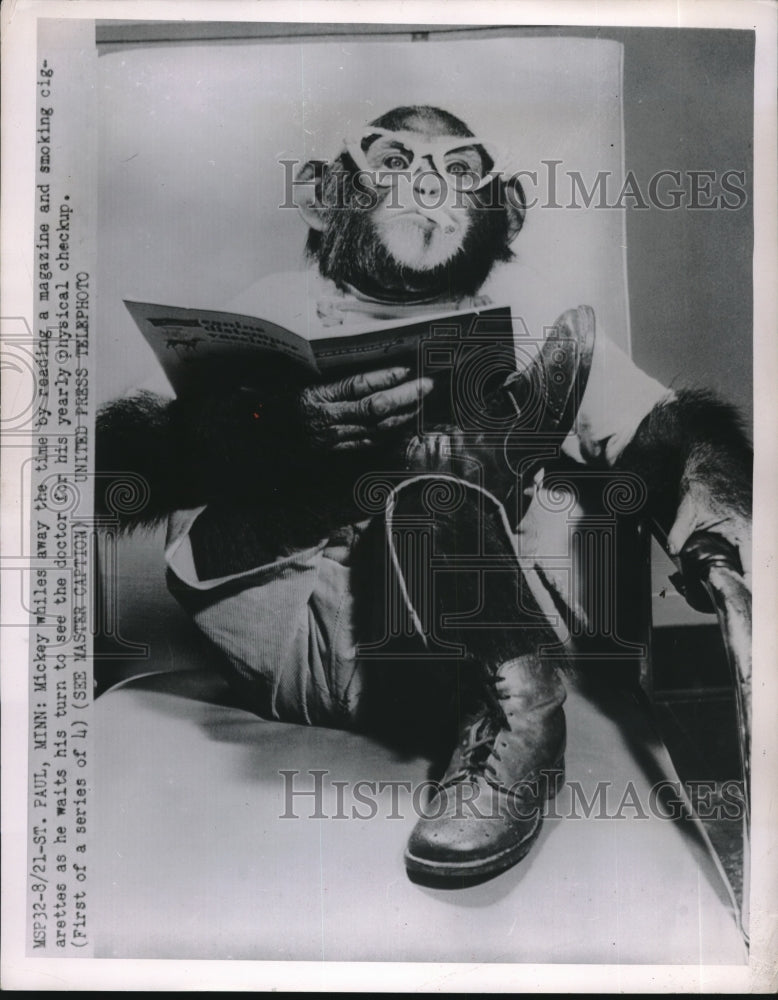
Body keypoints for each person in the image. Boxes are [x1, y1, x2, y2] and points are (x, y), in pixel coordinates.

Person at [98, 106, 752, 881]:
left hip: (474, 629)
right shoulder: (277, 300)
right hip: (304, 624)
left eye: (460, 168)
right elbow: (119, 470)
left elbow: (664, 432)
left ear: (502, 212)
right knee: (286, 438)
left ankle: (506, 662)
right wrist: (279, 431)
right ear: (324, 196)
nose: (430, 185)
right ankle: (470, 471)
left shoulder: (524, 308)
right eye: (396, 162)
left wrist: (726, 546)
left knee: (463, 487)